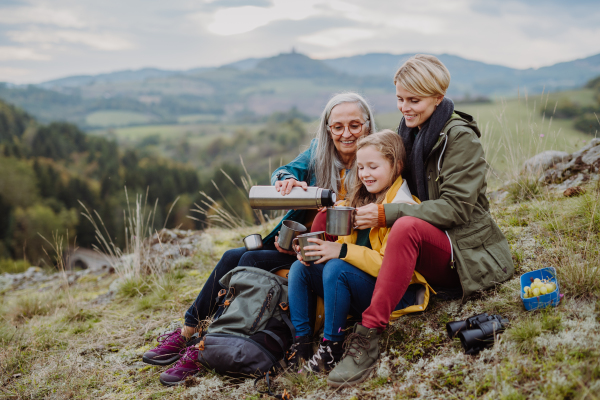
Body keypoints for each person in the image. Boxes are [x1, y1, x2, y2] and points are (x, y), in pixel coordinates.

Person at [144, 92, 377, 386]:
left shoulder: (374, 158)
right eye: (337, 126)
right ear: (327, 128)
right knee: (232, 257)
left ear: (368, 125)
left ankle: (208, 342)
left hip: (334, 256)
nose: (346, 134)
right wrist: (284, 181)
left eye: (355, 126)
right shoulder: (319, 151)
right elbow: (285, 171)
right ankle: (190, 331)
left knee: (248, 260)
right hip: (300, 246)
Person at [326, 54, 514, 388]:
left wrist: (386, 214)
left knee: (405, 225)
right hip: (423, 244)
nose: (405, 108)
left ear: (438, 97)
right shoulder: (409, 132)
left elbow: (456, 208)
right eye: (400, 99)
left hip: (462, 252)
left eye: (414, 100)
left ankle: (368, 336)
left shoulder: (460, 139)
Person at [287, 130, 431, 373]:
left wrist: (339, 250)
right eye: (361, 167)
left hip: (394, 296)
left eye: (373, 167)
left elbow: (388, 266)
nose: (365, 174)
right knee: (301, 267)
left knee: (336, 266)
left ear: (396, 166)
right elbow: (344, 252)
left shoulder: (403, 208)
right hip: (358, 286)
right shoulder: (358, 201)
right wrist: (316, 250)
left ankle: (330, 348)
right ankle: (301, 346)